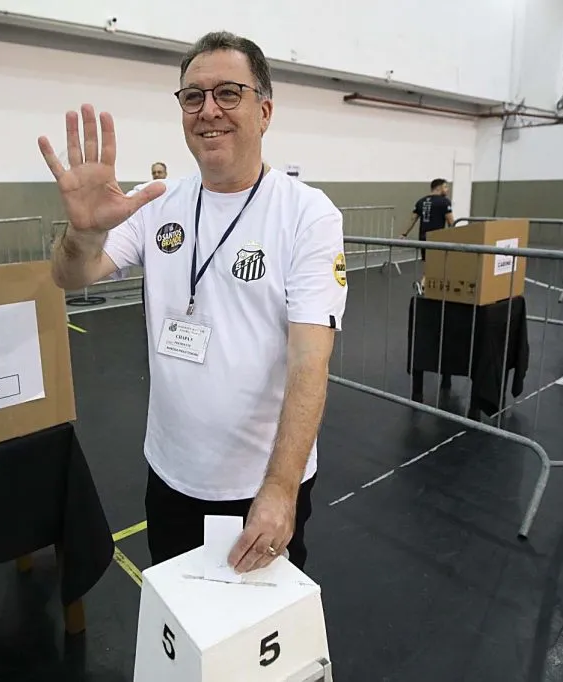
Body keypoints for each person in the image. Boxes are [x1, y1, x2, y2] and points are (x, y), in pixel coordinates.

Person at [38, 31, 347, 573]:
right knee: (182, 631)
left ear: (264, 110)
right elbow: (71, 274)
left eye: (229, 93)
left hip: (260, 483)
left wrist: (279, 490)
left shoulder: (308, 214)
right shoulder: (158, 203)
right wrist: (82, 233)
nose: (209, 111)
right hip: (171, 471)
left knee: (257, 642)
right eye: (192, 96)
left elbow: (310, 359)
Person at [402, 178, 453, 293]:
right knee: (437, 263)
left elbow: (412, 219)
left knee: (428, 262)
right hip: (437, 238)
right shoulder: (444, 202)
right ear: (438, 188)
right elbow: (451, 222)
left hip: (424, 238)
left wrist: (404, 233)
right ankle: (426, 284)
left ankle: (425, 284)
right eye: (445, 187)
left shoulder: (421, 201)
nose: (447, 190)